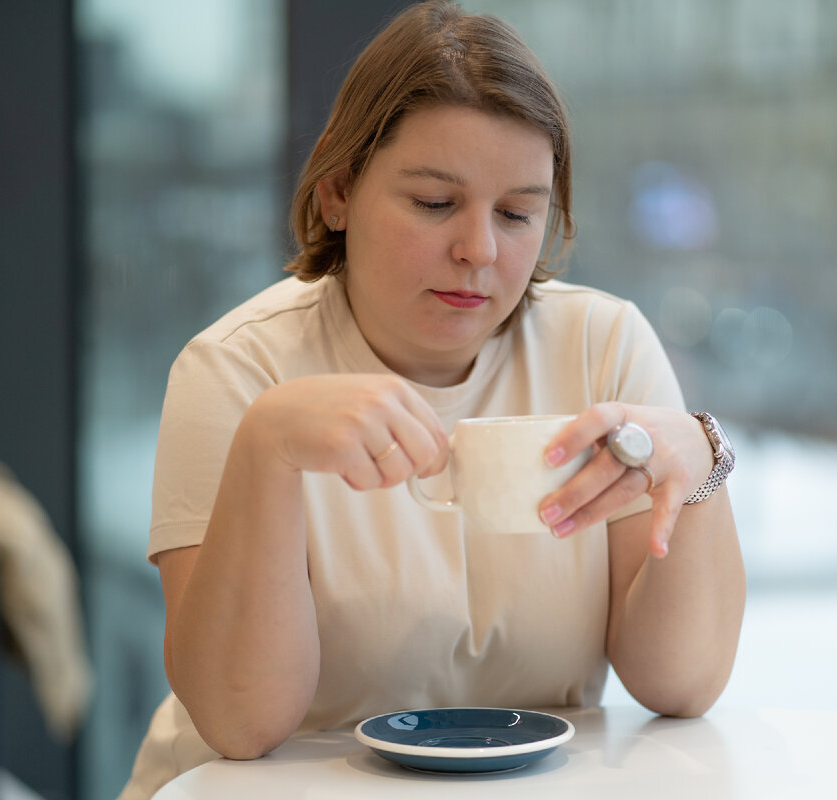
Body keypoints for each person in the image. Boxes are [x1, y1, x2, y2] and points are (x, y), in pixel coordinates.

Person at [118, 2, 745, 797]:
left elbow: (680, 685)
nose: (479, 250)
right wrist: (267, 448)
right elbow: (241, 724)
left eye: (518, 214)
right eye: (434, 203)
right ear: (339, 193)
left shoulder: (602, 347)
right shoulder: (236, 371)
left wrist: (698, 461)